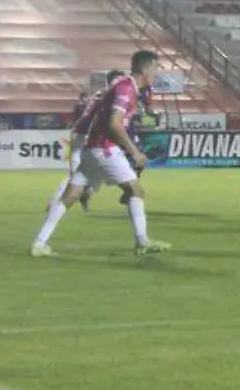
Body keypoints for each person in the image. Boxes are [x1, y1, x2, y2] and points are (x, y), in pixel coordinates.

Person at [31, 50, 170, 258]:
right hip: (105, 149)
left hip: (92, 149)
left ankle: (39, 243)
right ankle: (142, 242)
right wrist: (134, 152)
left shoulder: (124, 86)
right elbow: (114, 123)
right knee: (136, 191)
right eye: (155, 68)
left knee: (71, 195)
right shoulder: (126, 88)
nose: (156, 74)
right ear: (146, 68)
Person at [46, 70, 125, 212]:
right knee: (79, 174)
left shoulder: (101, 94)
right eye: (121, 80)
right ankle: (58, 202)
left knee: (87, 172)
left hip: (80, 133)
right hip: (85, 136)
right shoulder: (111, 95)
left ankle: (82, 195)